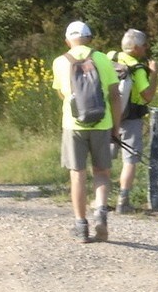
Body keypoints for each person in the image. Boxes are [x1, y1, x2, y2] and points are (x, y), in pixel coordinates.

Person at [52, 20, 121, 243]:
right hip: (102, 123)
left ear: (67, 40)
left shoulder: (60, 62)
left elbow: (62, 94)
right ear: (90, 38)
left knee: (77, 175)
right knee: (101, 172)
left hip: (73, 126)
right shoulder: (102, 58)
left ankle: (81, 226)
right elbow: (115, 95)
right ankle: (100, 211)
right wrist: (116, 128)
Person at [108, 28, 158, 214]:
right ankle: (123, 201)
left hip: (106, 118)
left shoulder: (110, 58)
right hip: (130, 119)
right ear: (136, 47)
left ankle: (100, 199)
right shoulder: (137, 68)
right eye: (145, 45)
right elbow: (147, 96)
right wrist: (153, 73)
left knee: (103, 159)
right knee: (130, 160)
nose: (147, 49)